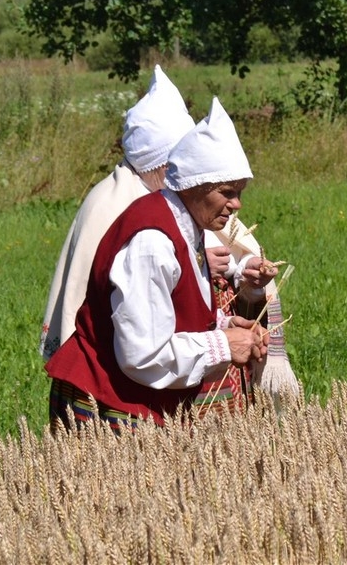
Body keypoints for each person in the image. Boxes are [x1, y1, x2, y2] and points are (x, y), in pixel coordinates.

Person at [39, 67, 297, 402]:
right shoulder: (153, 241)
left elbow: (163, 310)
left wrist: (220, 322)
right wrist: (222, 344)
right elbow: (142, 354)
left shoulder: (183, 224)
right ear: (193, 185)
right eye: (228, 192)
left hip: (136, 395)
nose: (237, 205)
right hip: (106, 402)